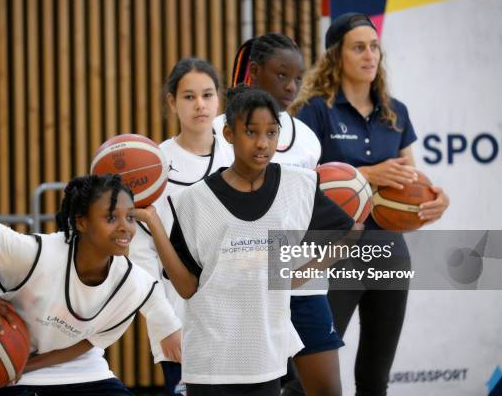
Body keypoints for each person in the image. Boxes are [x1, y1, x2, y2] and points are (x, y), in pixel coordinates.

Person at [137, 85, 356, 396]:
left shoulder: (300, 185)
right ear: (228, 134)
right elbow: (187, 287)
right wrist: (155, 224)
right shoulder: (193, 200)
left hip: (265, 360)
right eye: (251, 132)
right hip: (209, 361)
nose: (263, 143)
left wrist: (293, 277)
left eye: (272, 133)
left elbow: (349, 233)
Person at [290, 12, 450, 396]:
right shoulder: (315, 110)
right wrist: (365, 175)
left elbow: (410, 181)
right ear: (336, 56)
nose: (369, 55)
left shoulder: (396, 111)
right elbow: (297, 186)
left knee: (375, 381)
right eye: (358, 47)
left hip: (389, 253)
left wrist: (434, 199)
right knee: (307, 381)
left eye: (374, 46)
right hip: (331, 253)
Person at [0, 174, 181, 395]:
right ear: (82, 222)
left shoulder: (135, 285)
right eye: (110, 217)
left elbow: (91, 342)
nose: (125, 226)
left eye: (129, 217)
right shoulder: (31, 254)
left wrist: (25, 365)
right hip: (18, 382)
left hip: (87, 374)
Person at [214, 32, 343, 396]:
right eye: (281, 74)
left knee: (328, 389)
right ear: (254, 72)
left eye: (298, 77)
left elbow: (310, 211)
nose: (292, 86)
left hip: (301, 284)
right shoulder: (220, 132)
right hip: (243, 286)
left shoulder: (307, 139)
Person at [129, 57, 234, 396]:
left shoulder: (238, 155)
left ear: (219, 99)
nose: (200, 105)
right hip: (181, 316)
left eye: (207, 95)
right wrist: (163, 325)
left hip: (239, 313)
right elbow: (141, 257)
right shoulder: (151, 165)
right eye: (189, 97)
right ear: (172, 102)